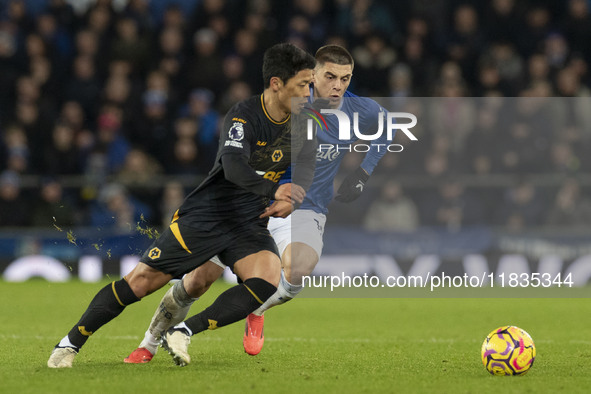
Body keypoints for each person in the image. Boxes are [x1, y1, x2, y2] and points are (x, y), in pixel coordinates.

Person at [47, 42, 317, 368]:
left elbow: (307, 172)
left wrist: (292, 198)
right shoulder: (244, 116)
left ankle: (184, 331)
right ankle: (70, 343)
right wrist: (275, 190)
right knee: (141, 282)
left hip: (249, 221)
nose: (309, 93)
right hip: (208, 215)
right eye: (303, 85)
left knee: (266, 280)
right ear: (276, 83)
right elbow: (233, 167)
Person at [124, 44, 391, 363]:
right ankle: (148, 343)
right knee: (197, 281)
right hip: (252, 204)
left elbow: (388, 125)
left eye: (345, 78)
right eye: (330, 76)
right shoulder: (284, 107)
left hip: (305, 207)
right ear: (311, 75)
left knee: (297, 271)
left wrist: (363, 171)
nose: (338, 86)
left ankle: (255, 307)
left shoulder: (358, 109)